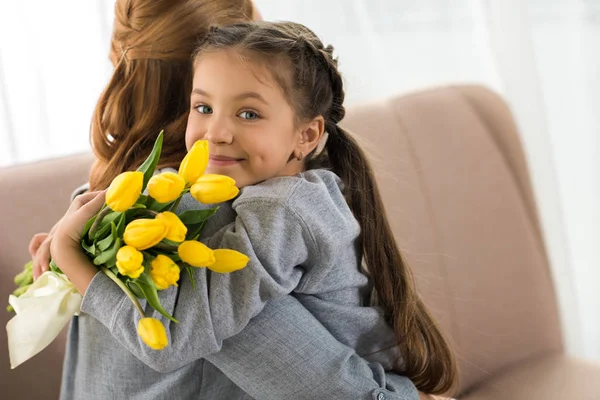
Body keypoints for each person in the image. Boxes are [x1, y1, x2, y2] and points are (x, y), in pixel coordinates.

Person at [27, 0, 453, 399]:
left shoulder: (194, 204)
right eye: (205, 107)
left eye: (248, 112)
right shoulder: (180, 211)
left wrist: (74, 250)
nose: (218, 131)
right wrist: (72, 251)